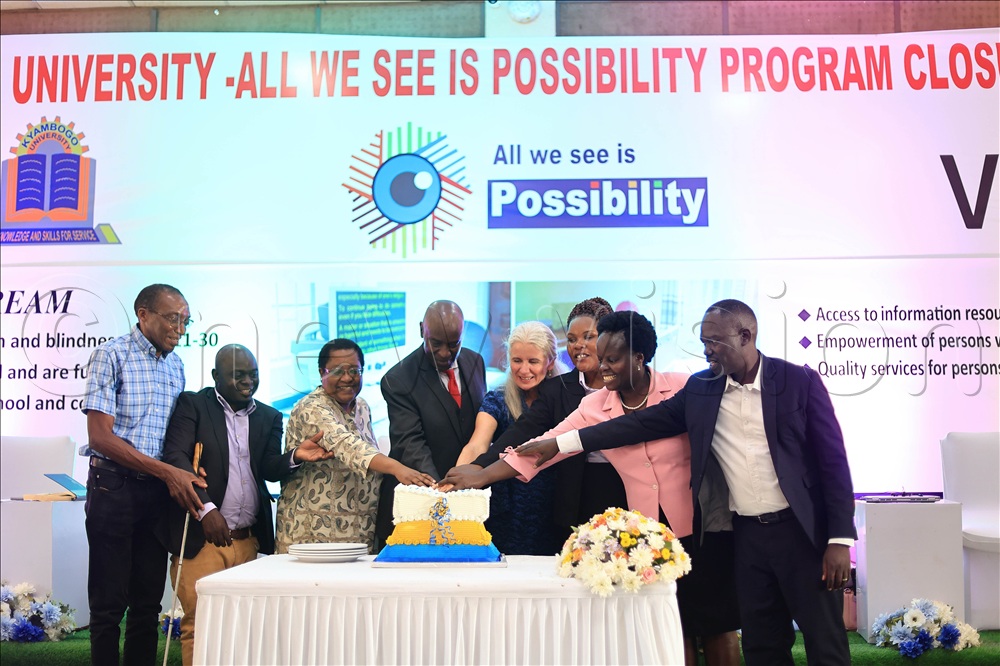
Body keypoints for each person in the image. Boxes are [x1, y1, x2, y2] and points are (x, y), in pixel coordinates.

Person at [513, 299, 856, 665]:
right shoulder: (702, 388)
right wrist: (560, 443)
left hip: (804, 534)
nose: (707, 349)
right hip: (747, 538)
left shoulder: (797, 381)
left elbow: (833, 462)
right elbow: (635, 424)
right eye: (704, 340)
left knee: (825, 643)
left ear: (746, 335)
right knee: (762, 645)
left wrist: (839, 539)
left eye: (715, 341)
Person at [442, 311, 741, 665]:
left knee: (717, 626)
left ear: (639, 358)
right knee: (672, 626)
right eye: (602, 358)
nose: (603, 367)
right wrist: (483, 474)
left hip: (703, 527)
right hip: (650, 537)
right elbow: (545, 444)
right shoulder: (594, 405)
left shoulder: (680, 386)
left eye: (612, 359)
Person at [158, 344, 337, 666]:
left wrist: (295, 456)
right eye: (237, 375)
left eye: (252, 375)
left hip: (248, 541)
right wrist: (207, 510)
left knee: (244, 630)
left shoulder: (269, 416)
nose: (247, 382)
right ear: (215, 376)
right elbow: (176, 458)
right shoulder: (193, 405)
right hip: (204, 541)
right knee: (200, 626)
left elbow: (266, 468)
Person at [81, 283, 206, 666]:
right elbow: (100, 437)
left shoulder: (176, 365)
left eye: (185, 320)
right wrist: (167, 470)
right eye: (172, 318)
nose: (179, 328)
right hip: (112, 487)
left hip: (157, 494)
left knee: (148, 605)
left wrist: (185, 467)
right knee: (107, 607)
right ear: (143, 314)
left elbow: (173, 439)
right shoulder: (110, 354)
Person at [442, 297, 627, 543]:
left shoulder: (628, 385)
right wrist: (476, 470)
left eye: (588, 337)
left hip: (624, 495)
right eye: (572, 339)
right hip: (564, 505)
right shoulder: (557, 391)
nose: (579, 345)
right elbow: (521, 434)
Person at [276, 339, 434, 554]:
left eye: (354, 370)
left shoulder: (362, 407)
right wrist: (398, 468)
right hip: (313, 535)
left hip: (358, 534)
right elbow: (349, 447)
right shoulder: (311, 407)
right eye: (338, 371)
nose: (347, 378)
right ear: (322, 372)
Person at [374, 301, 487, 548]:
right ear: (421, 330)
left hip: (468, 503)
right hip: (421, 502)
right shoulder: (398, 379)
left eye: (453, 344)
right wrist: (442, 492)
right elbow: (411, 445)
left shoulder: (475, 362)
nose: (446, 353)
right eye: (436, 344)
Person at [453, 320, 564, 555]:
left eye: (533, 361)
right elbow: (477, 444)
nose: (524, 370)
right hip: (507, 511)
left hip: (555, 507)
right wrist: (459, 478)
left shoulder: (566, 398)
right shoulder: (497, 398)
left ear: (550, 361)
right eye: (517, 361)